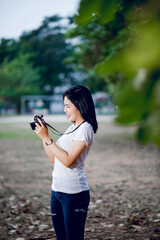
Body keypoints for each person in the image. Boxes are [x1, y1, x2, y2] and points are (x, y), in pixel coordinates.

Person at [34, 85, 98, 240]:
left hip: (74, 193)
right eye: (64, 106)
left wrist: (46, 139)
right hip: (56, 191)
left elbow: (68, 160)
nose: (65, 110)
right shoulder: (72, 127)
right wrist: (44, 137)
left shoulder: (85, 129)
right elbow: (53, 158)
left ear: (80, 105)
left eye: (68, 106)